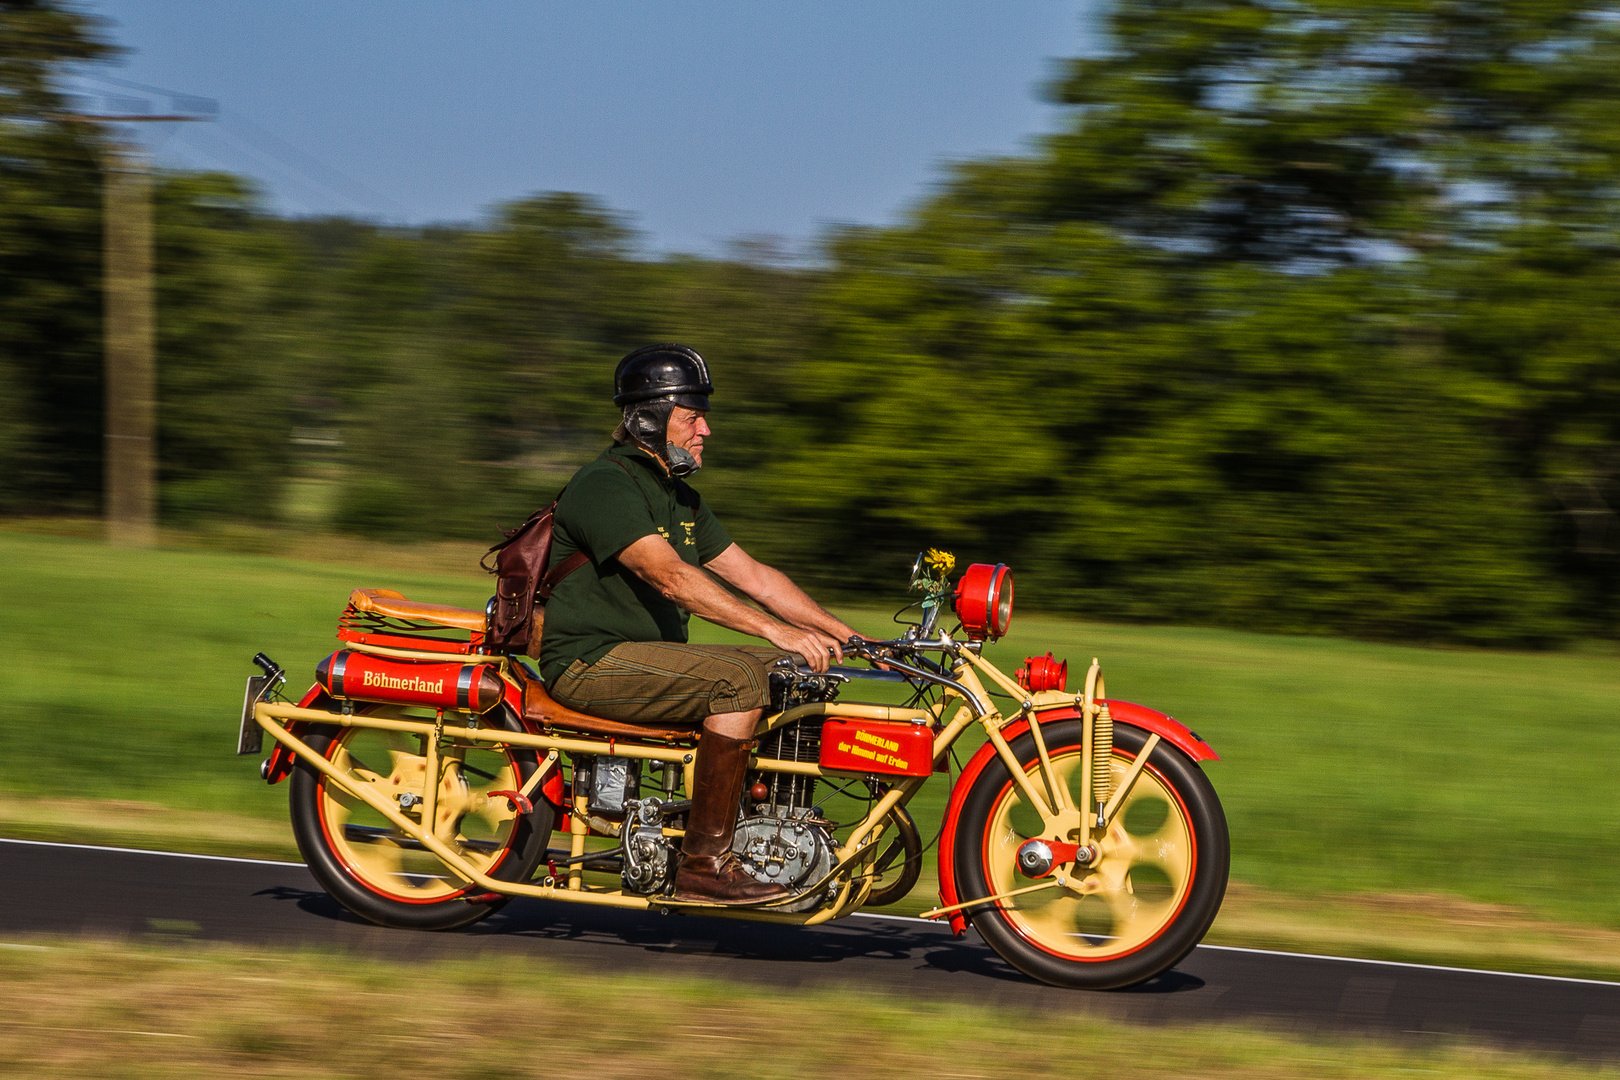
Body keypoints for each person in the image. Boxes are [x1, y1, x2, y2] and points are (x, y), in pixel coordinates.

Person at [538, 344, 861, 905]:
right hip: (592, 661)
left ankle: (772, 841)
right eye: (692, 416)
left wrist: (849, 637)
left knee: (797, 674)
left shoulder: (679, 496)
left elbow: (756, 578)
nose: (706, 429)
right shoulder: (606, 484)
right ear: (648, 420)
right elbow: (672, 579)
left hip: (646, 660)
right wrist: (773, 631)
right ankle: (704, 864)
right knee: (737, 679)